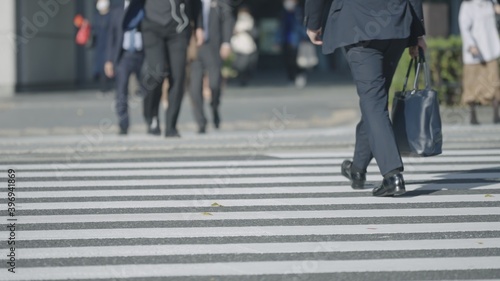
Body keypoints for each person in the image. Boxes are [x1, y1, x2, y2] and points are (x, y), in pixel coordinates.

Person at [305, 0, 427, 197]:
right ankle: (357, 168)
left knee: (373, 102)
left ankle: (392, 174)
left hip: (358, 25)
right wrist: (417, 33)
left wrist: (313, 23)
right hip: (395, 23)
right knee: (375, 102)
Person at [126, 0, 201, 137]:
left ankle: (171, 125)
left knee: (178, 76)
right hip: (152, 25)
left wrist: (199, 26)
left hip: (179, 27)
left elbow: (196, 3)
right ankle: (151, 115)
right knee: (156, 73)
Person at [189, 0, 235, 134]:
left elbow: (228, 20)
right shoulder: (191, 3)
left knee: (214, 84)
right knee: (195, 88)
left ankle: (214, 107)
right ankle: (201, 122)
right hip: (195, 49)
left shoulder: (219, 3)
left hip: (213, 48)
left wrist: (226, 42)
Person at [104, 0, 146, 135]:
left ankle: (151, 119)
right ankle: (123, 123)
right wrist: (109, 60)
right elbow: (111, 36)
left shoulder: (143, 6)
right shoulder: (117, 10)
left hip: (142, 54)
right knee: (121, 90)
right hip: (123, 56)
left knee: (148, 89)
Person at [459, 0, 500, 125]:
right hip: (474, 53)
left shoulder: (489, 3)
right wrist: (471, 45)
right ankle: (473, 116)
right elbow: (464, 27)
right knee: (472, 84)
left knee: (494, 82)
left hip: (490, 49)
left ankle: (496, 114)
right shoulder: (467, 6)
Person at [280, 0, 309, 88]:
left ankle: (300, 75)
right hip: (286, 40)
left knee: (299, 59)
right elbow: (281, 27)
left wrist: (304, 37)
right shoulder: (284, 13)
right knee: (288, 60)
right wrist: (277, 40)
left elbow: (302, 26)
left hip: (297, 40)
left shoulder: (299, 12)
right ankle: (291, 78)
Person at [231, 6, 259, 87]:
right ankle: (241, 78)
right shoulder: (235, 21)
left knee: (247, 65)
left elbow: (256, 33)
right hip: (237, 47)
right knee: (238, 65)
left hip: (249, 47)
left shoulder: (252, 22)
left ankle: (245, 79)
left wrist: (247, 31)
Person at [94, 0, 114, 93]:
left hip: (109, 44)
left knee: (110, 64)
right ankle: (103, 87)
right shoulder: (97, 16)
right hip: (100, 45)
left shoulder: (112, 15)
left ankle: (110, 84)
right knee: (101, 66)